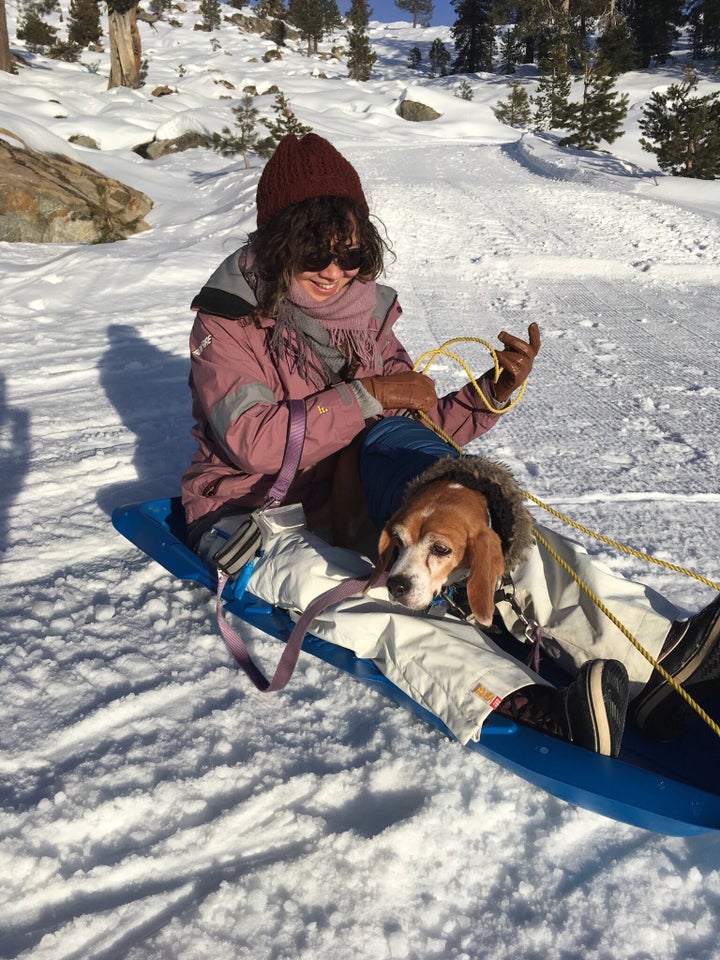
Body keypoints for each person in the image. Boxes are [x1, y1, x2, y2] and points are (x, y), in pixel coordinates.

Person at [181, 132, 720, 757]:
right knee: (353, 593)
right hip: (250, 511)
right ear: (277, 243)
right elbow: (256, 441)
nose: (334, 270)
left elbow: (415, 431)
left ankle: (660, 656)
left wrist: (487, 393)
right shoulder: (228, 319)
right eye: (312, 251)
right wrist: (369, 395)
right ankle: (529, 705)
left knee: (498, 534)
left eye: (351, 252)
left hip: (359, 495)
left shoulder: (368, 317)